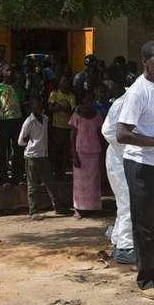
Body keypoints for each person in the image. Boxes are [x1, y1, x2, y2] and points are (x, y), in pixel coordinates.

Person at [116, 41, 154, 300]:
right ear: (145, 61)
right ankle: (147, 280)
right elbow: (122, 134)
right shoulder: (137, 92)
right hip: (141, 164)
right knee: (145, 223)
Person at [101, 85, 135, 264]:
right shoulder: (121, 104)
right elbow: (107, 131)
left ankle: (118, 240)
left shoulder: (131, 104)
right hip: (118, 160)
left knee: (124, 204)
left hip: (124, 160)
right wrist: (128, 142)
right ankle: (126, 247)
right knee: (128, 202)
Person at [18, 97, 61, 220]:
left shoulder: (46, 119)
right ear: (31, 108)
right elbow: (20, 141)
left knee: (50, 182)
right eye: (35, 107)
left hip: (43, 155)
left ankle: (57, 207)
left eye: (40, 106)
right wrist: (27, 140)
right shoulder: (28, 122)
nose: (38, 108)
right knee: (32, 185)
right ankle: (33, 211)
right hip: (32, 156)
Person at [69, 89, 104, 219]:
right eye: (86, 99)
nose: (89, 101)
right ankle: (78, 208)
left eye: (91, 99)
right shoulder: (76, 115)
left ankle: (93, 207)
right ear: (82, 100)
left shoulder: (97, 115)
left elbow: (100, 134)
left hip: (94, 151)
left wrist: (102, 153)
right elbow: (72, 135)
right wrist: (73, 154)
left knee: (93, 182)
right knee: (79, 183)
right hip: (81, 152)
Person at [0, 66, 25, 184]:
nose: (10, 72)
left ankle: (18, 176)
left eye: (12, 70)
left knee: (18, 149)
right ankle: (4, 177)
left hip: (17, 121)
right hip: (3, 122)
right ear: (2, 73)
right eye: (7, 70)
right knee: (3, 150)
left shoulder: (18, 88)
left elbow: (22, 105)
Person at [47, 76, 76, 177]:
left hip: (68, 127)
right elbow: (50, 108)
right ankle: (55, 172)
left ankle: (62, 173)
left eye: (67, 81)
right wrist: (64, 107)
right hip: (56, 127)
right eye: (63, 81)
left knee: (65, 152)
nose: (65, 83)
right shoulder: (54, 94)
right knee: (55, 151)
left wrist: (59, 107)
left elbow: (72, 111)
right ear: (59, 83)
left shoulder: (71, 96)